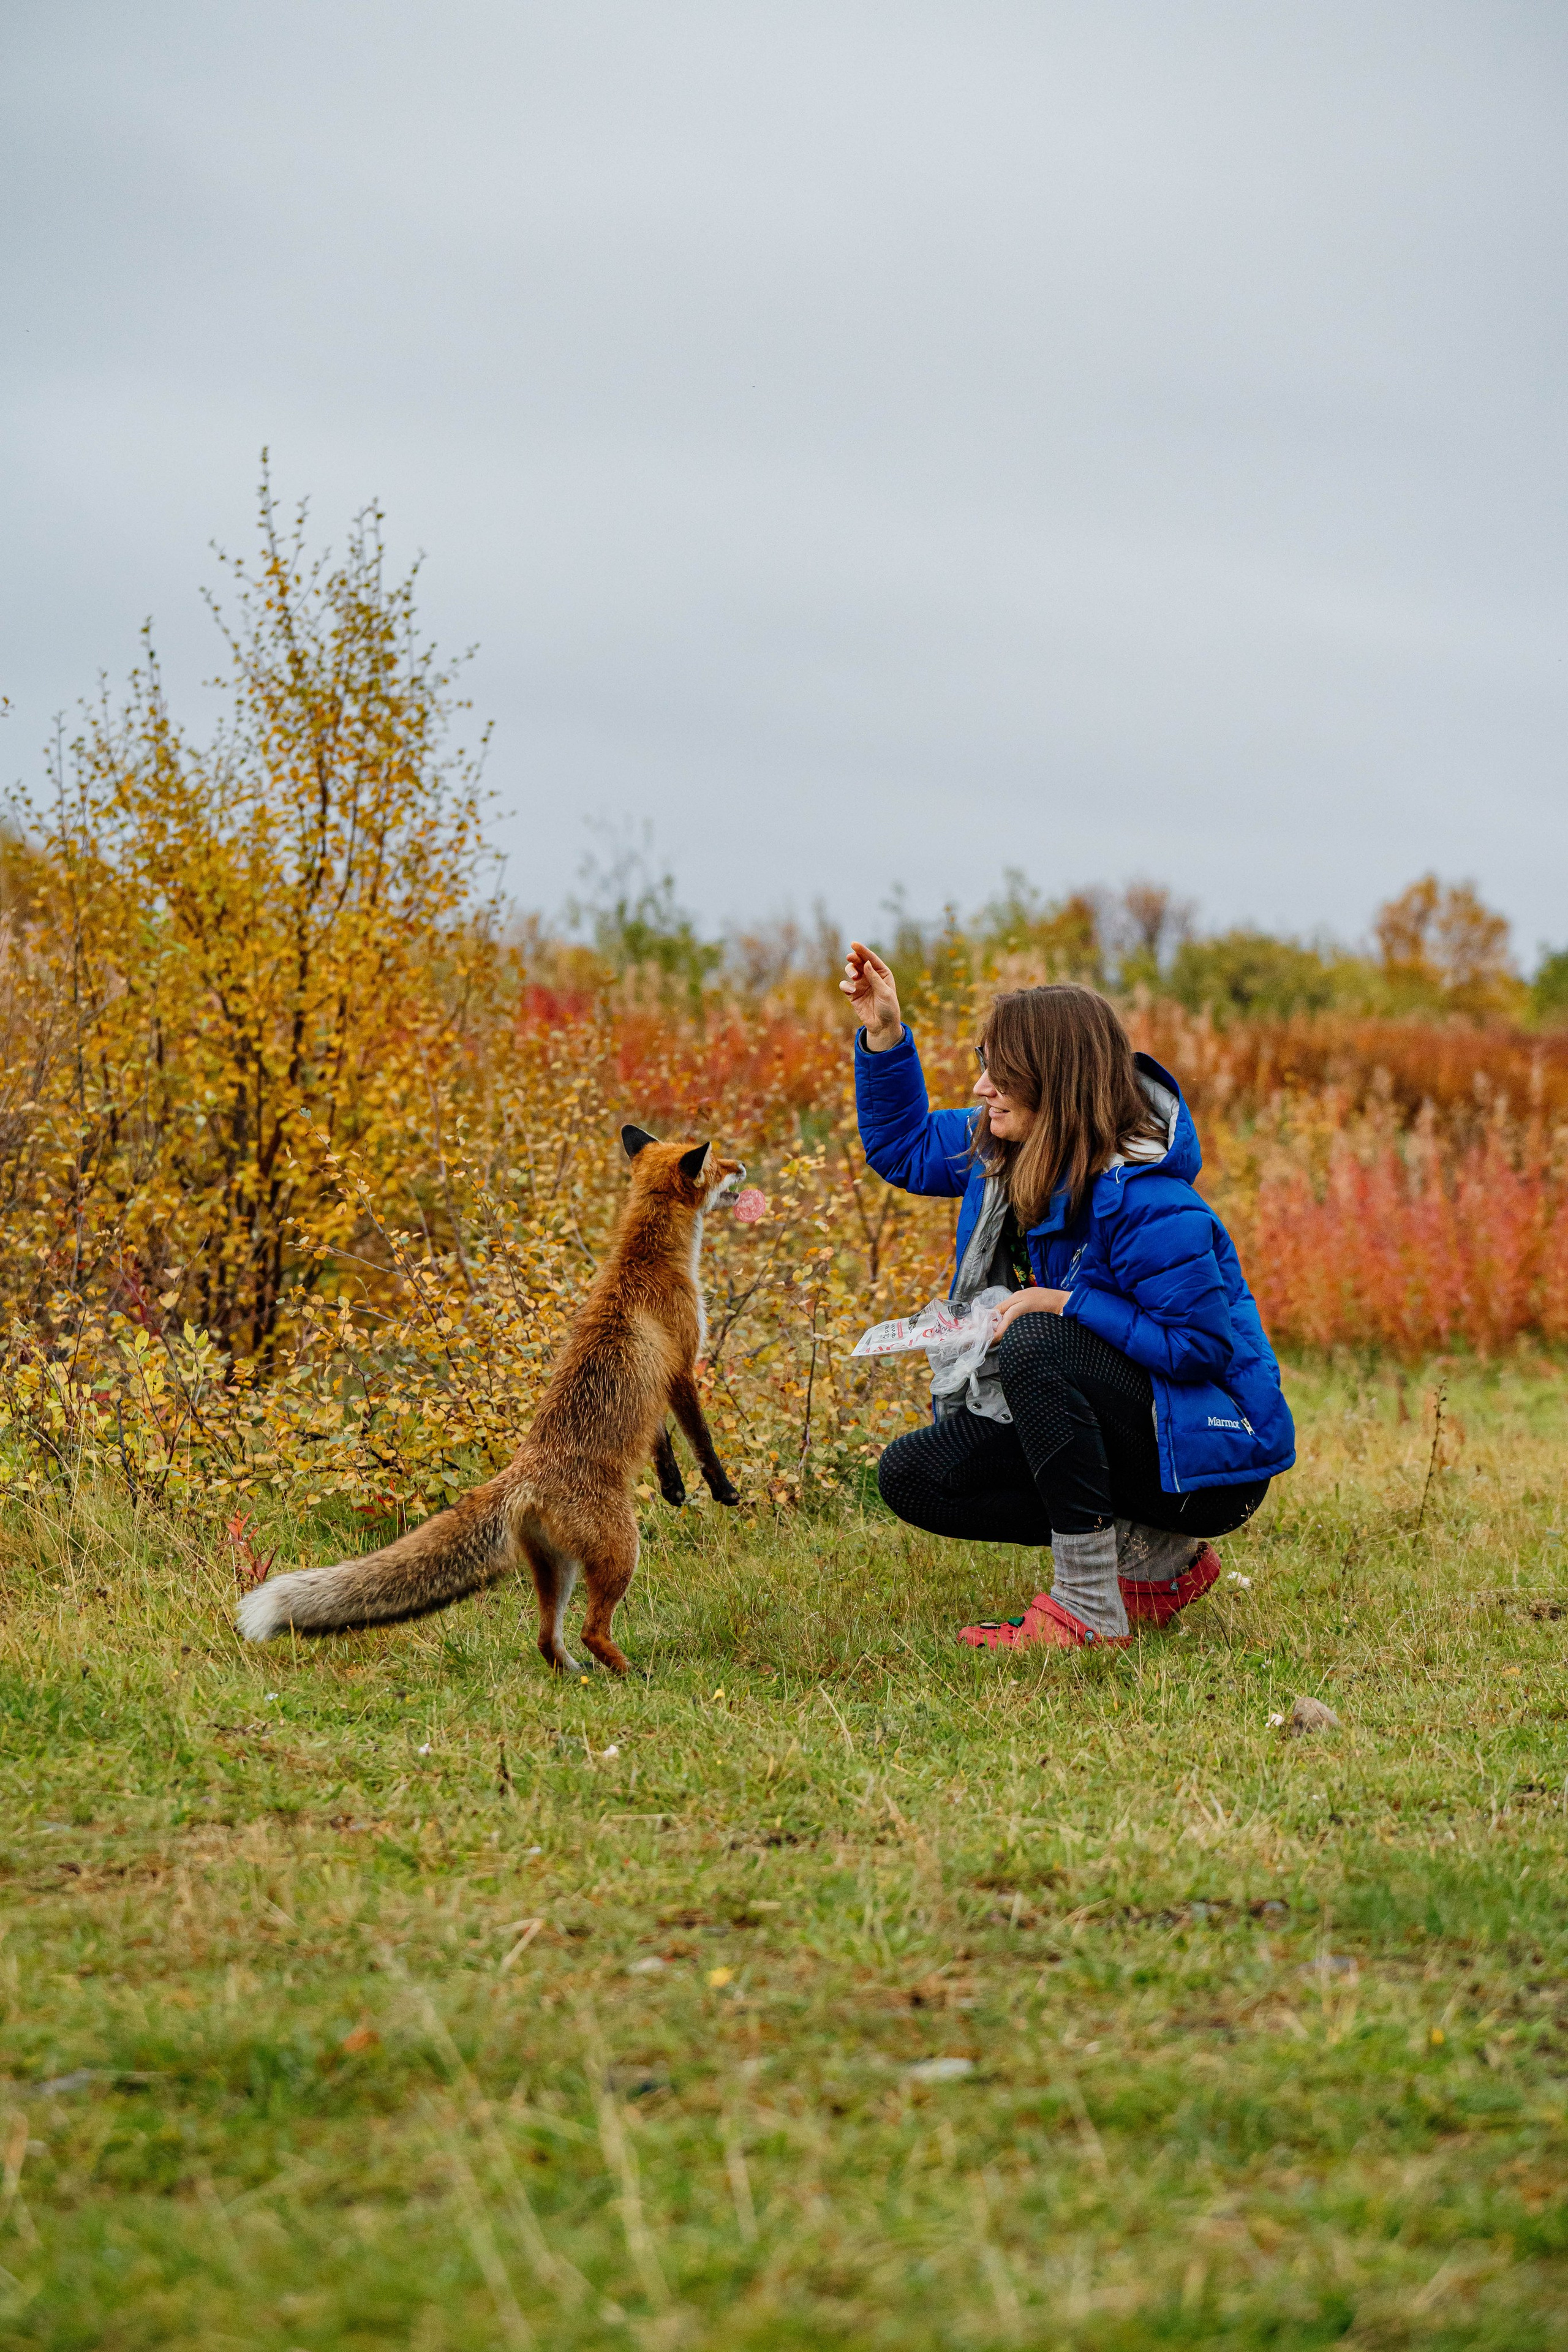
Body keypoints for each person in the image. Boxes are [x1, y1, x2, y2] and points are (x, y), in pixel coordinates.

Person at [842, 943, 1294, 1649]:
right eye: (983, 1065)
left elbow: (1200, 1349)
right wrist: (885, 1032)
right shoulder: (999, 1151)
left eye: (1001, 1071)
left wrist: (1064, 1305)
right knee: (916, 1474)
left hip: (1206, 1466)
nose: (984, 1086)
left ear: (1055, 1081)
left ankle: (1088, 1608)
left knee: (1038, 1340)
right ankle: (1154, 1563)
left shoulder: (1151, 1202)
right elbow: (899, 1146)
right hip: (1126, 1429)